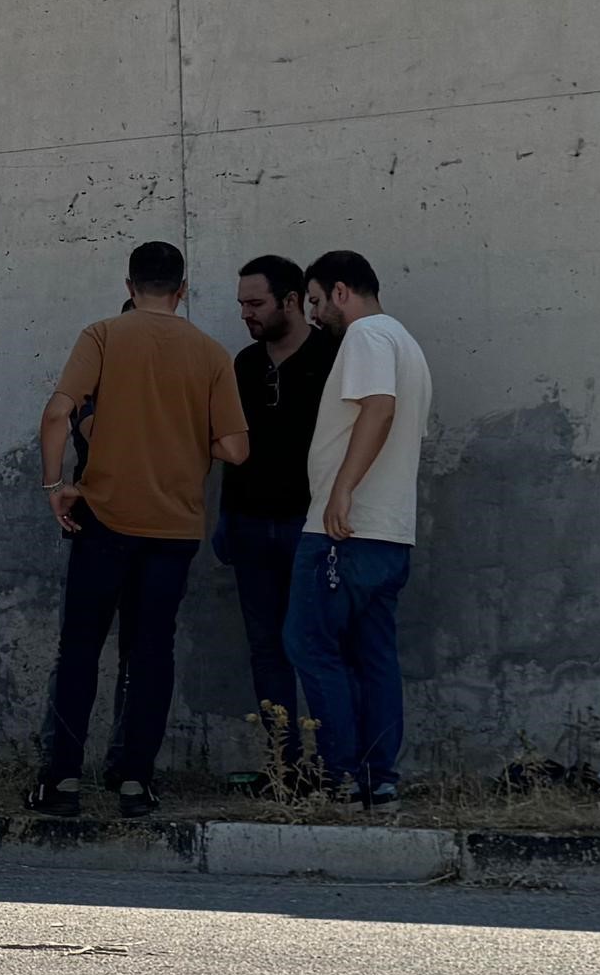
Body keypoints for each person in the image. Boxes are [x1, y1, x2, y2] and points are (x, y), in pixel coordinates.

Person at [25, 240, 249, 820]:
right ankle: (134, 781)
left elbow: (56, 414)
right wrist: (176, 438)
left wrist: (55, 487)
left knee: (79, 649)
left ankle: (62, 781)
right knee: (151, 653)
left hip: (104, 517)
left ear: (129, 286)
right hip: (174, 528)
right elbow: (235, 448)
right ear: (183, 290)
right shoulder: (212, 353)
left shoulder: (102, 335)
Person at [285, 249, 436, 806]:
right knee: (373, 656)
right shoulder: (405, 343)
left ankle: (341, 773)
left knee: (308, 643)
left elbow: (378, 407)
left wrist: (341, 489)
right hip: (389, 532)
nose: (316, 315)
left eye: (318, 302)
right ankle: (379, 779)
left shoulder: (367, 336)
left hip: (344, 529)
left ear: (342, 292)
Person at [223, 256, 341, 783]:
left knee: (317, 643)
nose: (246, 314)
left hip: (309, 525)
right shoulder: (243, 366)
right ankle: (283, 767)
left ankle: (334, 764)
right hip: (249, 525)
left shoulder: (332, 358)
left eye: (256, 303)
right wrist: (225, 519)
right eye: (242, 304)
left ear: (291, 301)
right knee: (265, 646)